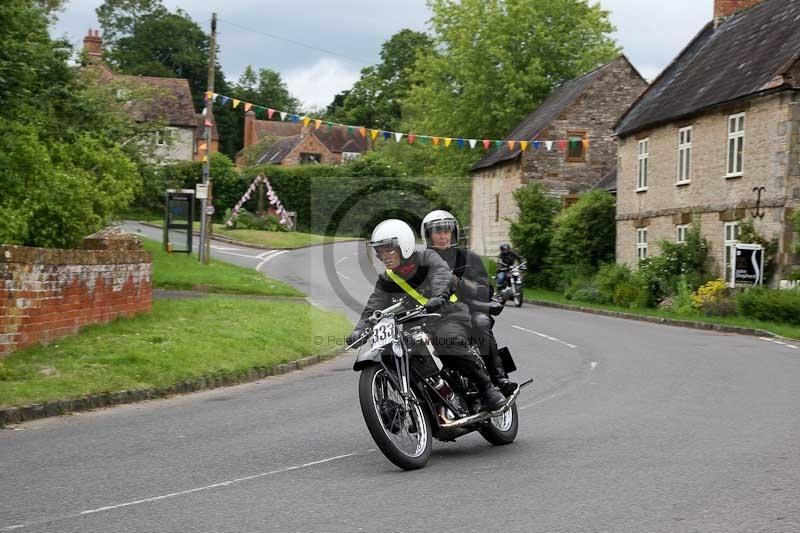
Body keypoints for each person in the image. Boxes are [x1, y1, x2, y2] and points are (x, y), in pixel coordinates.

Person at [346, 219, 506, 411]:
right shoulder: (386, 280)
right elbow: (373, 308)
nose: (383, 256)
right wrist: (360, 329)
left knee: (448, 340)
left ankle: (488, 389)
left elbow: (441, 275)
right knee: (396, 355)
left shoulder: (426, 258)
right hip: (416, 327)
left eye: (389, 250)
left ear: (403, 245)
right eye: (380, 251)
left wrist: (438, 297)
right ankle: (419, 405)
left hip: (448, 315)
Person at [421, 210, 517, 396]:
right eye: (437, 231)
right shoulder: (423, 263)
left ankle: (498, 377)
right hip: (437, 315)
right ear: (429, 235)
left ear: (453, 232)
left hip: (471, 310)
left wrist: (460, 282)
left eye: (446, 231)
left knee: (481, 322)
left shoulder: (468, 258)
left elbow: (486, 291)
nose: (442, 236)